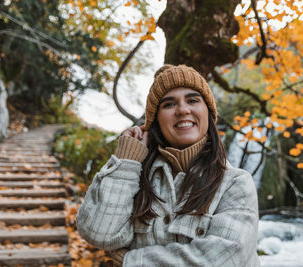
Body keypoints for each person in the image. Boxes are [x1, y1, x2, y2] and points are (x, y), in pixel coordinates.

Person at [76, 64, 260, 266]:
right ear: (155, 121)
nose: (182, 110)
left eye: (192, 100)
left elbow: (224, 259)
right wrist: (127, 161)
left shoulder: (235, 183)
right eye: (169, 104)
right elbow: (99, 233)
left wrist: (133, 261)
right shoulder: (135, 175)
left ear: (208, 112)